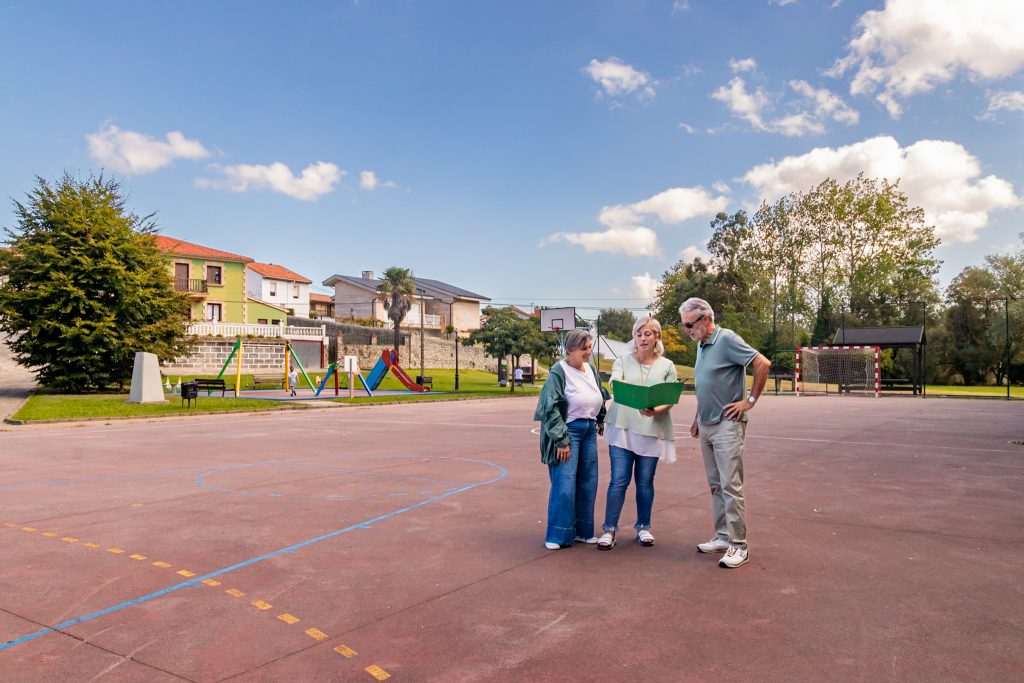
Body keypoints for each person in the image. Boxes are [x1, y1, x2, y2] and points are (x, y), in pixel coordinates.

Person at [680, 297, 770, 569]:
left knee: (731, 485)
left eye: (689, 324)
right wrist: (697, 416)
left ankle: (739, 546)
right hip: (706, 423)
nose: (687, 331)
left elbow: (762, 364)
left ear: (705, 319)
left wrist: (749, 402)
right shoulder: (701, 345)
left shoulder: (727, 339)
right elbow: (707, 384)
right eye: (684, 325)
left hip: (727, 424)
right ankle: (722, 536)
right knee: (716, 484)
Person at [597, 316, 677, 550]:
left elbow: (670, 397)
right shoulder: (622, 360)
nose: (642, 338)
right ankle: (609, 529)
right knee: (618, 480)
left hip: (652, 430)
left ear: (656, 337)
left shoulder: (667, 365)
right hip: (622, 428)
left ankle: (643, 527)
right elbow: (616, 383)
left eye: (648, 334)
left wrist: (657, 409)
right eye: (639, 334)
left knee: (645, 482)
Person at [534, 329, 610, 550]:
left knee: (588, 482)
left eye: (590, 347)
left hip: (588, 431)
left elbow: (599, 397)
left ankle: (584, 531)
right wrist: (561, 439)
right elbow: (550, 407)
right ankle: (558, 535)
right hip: (568, 431)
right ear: (570, 349)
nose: (588, 352)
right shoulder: (559, 371)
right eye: (584, 348)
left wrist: (600, 419)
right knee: (565, 483)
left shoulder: (590, 370)